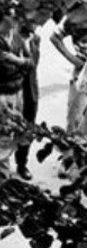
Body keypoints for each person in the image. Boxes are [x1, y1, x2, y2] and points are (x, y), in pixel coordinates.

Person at [0, 16, 31, 176]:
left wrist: (21, 65)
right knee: (2, 138)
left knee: (12, 134)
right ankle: (1, 179)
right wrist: (21, 65)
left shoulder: (15, 36)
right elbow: (4, 69)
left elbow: (30, 61)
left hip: (15, 92)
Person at [49, 21, 87, 176]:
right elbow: (55, 37)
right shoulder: (77, 16)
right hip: (81, 71)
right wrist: (73, 59)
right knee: (74, 116)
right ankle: (68, 160)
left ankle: (81, 162)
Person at [13, 20, 41, 180]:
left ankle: (21, 164)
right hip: (11, 89)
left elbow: (34, 65)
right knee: (5, 126)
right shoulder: (7, 37)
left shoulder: (35, 38)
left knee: (28, 127)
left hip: (30, 89)